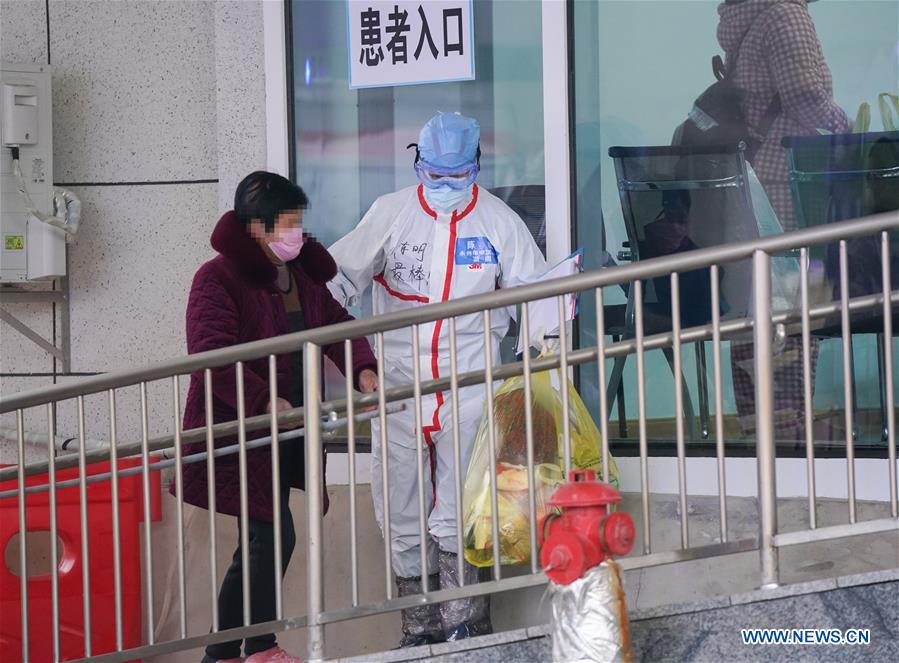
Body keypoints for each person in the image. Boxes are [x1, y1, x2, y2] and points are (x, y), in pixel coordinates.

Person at [327, 112, 547, 646]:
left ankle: (465, 627)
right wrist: (343, 353)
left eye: (457, 176)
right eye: (435, 175)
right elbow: (335, 281)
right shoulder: (390, 214)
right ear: (417, 163)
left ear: (476, 166)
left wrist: (545, 347)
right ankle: (418, 628)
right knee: (400, 509)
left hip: (468, 385)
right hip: (396, 387)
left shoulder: (499, 222)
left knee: (462, 510)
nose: (446, 187)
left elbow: (541, 297)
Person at [176, 171, 378, 663]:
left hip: (286, 430)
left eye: (297, 223)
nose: (296, 234)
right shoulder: (217, 277)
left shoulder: (299, 276)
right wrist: (263, 401)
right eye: (286, 224)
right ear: (258, 228)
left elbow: (334, 325)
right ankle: (253, 648)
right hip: (240, 431)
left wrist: (363, 370)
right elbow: (211, 353)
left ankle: (225, 653)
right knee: (271, 534)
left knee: (267, 538)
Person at [717, 0, 850, 439]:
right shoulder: (785, 15)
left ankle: (759, 435)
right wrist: (848, 128)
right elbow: (805, 96)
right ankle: (790, 440)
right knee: (794, 316)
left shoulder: (742, 18)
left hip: (750, 186)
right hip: (785, 185)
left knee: (753, 319)